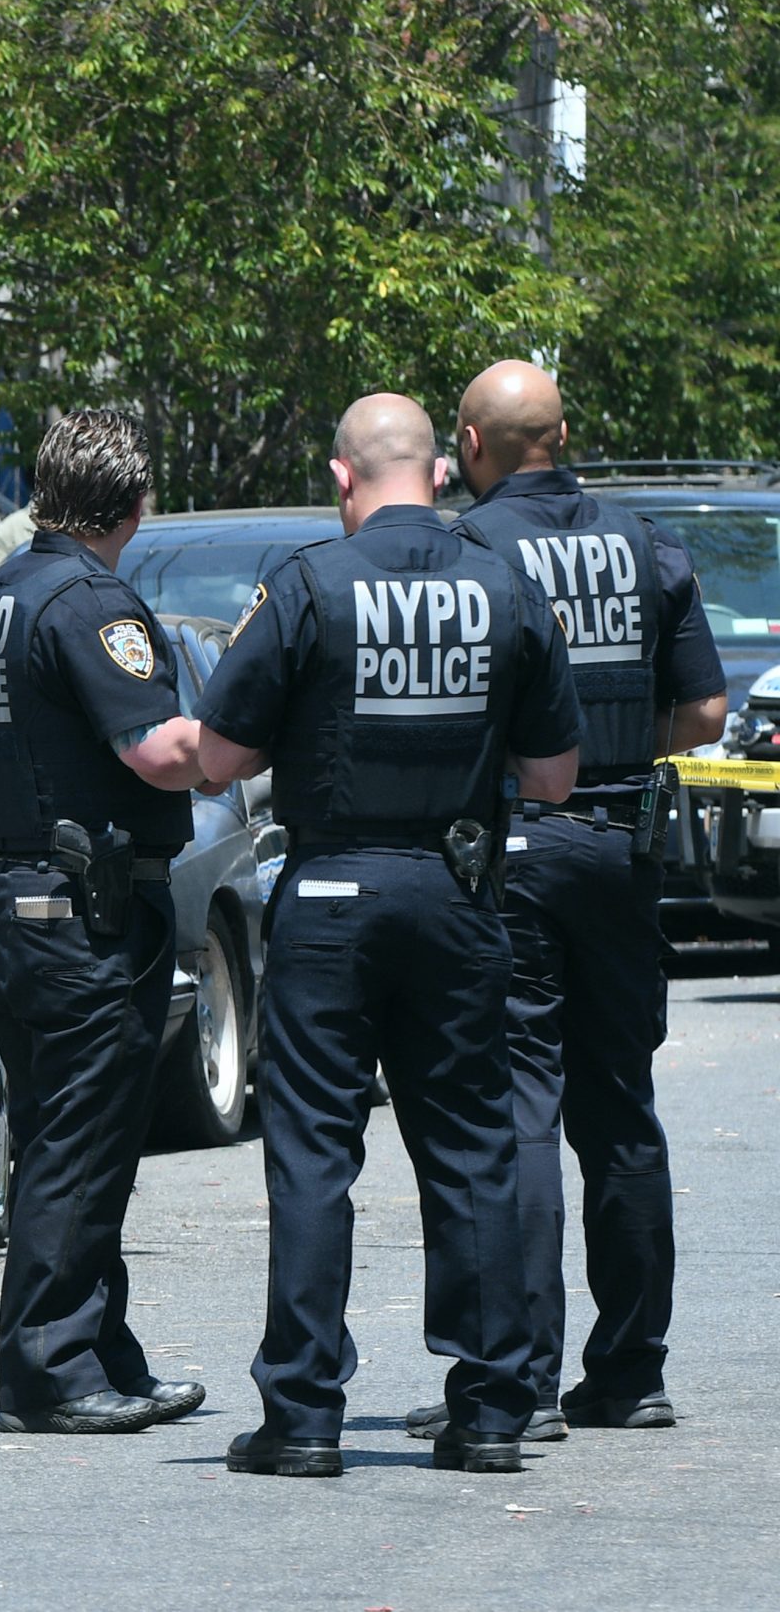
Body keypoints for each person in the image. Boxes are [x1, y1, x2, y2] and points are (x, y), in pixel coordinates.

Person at [197, 394, 585, 1478]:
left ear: (341, 476)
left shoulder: (309, 582)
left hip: (326, 895)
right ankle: (492, 1409)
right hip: (456, 892)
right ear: (442, 470)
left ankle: (305, 1414)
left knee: (314, 1152)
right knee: (469, 1148)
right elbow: (553, 778)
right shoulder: (506, 584)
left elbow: (218, 760)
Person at [390, 362, 726, 1444]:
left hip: (513, 852)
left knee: (516, 1106)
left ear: (472, 448)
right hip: (622, 850)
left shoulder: (470, 550)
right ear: (564, 434)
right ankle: (630, 1372)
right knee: (619, 1105)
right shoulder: (646, 546)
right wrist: (617, 750)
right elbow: (707, 710)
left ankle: (521, 1377)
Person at [0, 409, 212, 1435]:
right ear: (134, 504)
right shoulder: (89, 598)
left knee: (78, 1135)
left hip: (27, 895)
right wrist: (245, 736)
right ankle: (52, 1370)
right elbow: (153, 749)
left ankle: (102, 1349)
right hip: (86, 912)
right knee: (76, 1141)